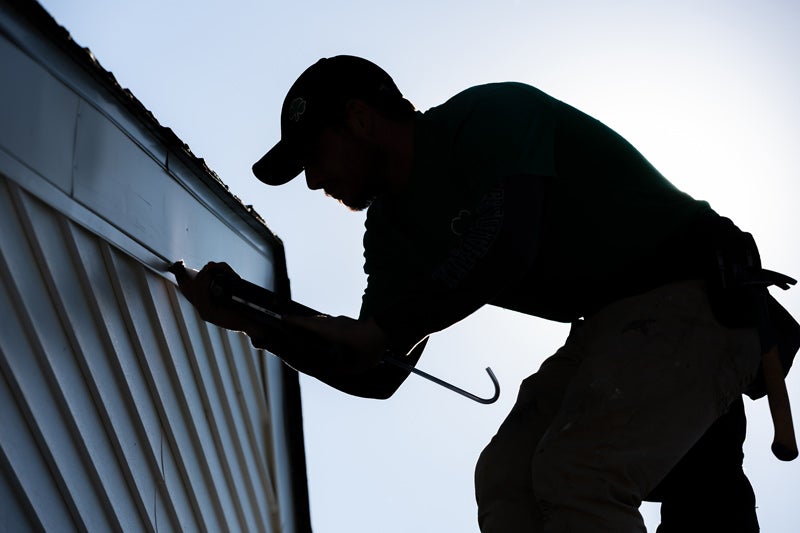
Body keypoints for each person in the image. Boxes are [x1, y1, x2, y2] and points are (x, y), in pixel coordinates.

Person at [176, 55, 798, 532]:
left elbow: (510, 238)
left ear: (360, 119)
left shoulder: (487, 118)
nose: (312, 181)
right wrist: (257, 319)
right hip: (611, 326)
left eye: (313, 156)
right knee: (506, 475)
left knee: (577, 470)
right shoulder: (391, 228)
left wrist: (383, 330)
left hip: (691, 293)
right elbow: (375, 369)